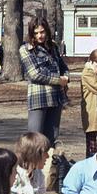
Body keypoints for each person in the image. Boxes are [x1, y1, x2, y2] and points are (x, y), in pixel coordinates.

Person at [18, 16, 70, 147]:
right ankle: (30, 167)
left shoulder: (53, 47)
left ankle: (46, 166)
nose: (39, 35)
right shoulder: (25, 49)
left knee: (51, 139)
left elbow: (63, 67)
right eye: (36, 33)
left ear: (47, 31)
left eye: (42, 32)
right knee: (34, 139)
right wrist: (59, 80)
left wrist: (66, 77)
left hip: (56, 98)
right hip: (38, 98)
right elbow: (34, 74)